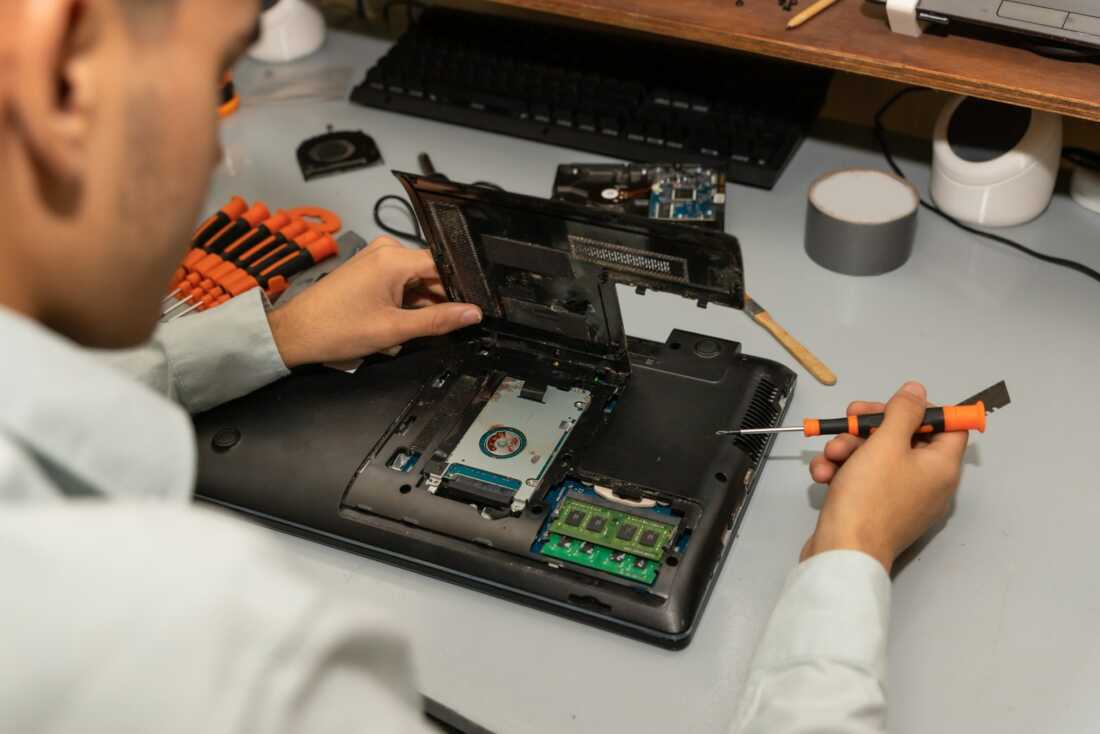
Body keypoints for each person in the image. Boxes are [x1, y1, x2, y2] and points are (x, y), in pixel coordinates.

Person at [0, 1, 968, 732]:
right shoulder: (212, 649)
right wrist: (851, 550)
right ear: (59, 69)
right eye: (214, 74)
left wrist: (282, 334)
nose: (219, 148)